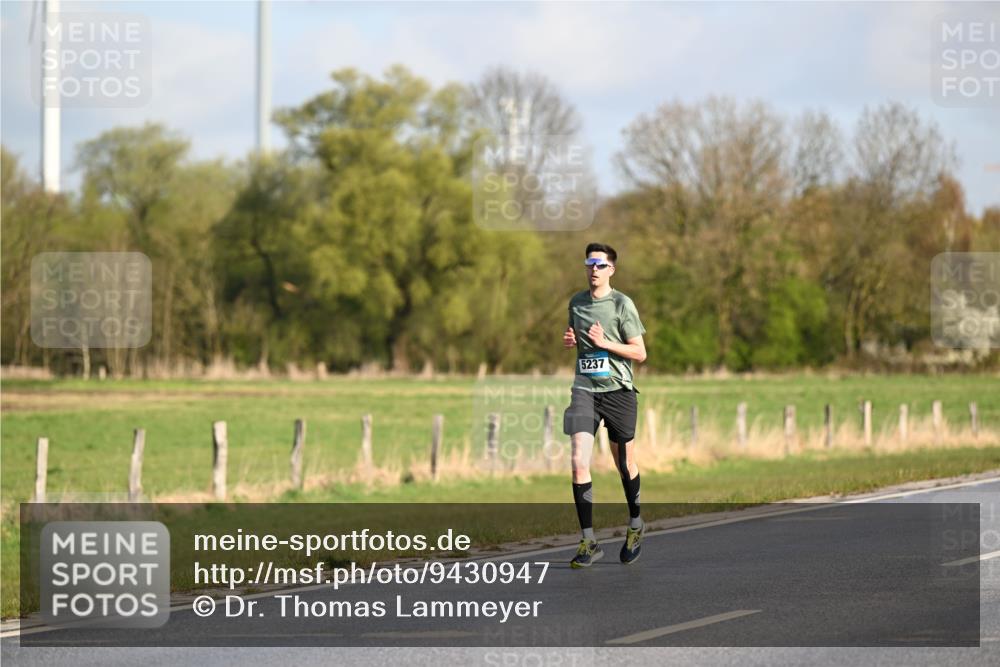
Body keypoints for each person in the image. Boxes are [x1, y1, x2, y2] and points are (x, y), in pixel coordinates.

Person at [563, 242, 647, 568]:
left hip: (619, 392)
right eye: (589, 264)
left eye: (600, 265)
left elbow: (640, 353)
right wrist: (572, 341)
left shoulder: (622, 304)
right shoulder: (576, 302)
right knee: (577, 461)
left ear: (611, 269)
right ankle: (589, 541)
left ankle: (636, 525)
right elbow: (579, 341)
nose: (593, 270)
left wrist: (604, 343)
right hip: (584, 390)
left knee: (624, 464)